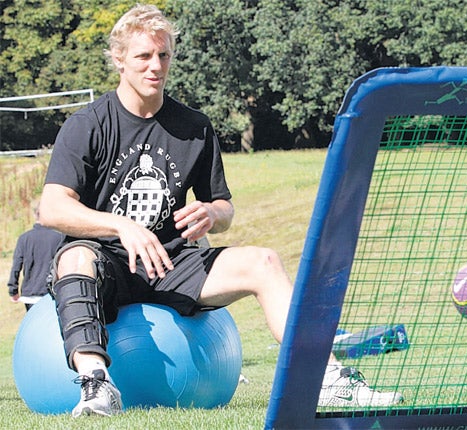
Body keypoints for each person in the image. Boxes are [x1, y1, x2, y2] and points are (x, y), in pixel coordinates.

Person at [39, 4, 402, 418]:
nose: (155, 66)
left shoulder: (194, 126)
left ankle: (327, 381)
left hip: (172, 262)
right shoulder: (88, 124)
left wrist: (212, 213)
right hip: (107, 266)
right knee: (74, 255)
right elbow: (52, 208)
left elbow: (225, 207)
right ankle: (97, 386)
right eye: (143, 56)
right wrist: (121, 226)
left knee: (264, 260)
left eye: (163, 55)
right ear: (119, 59)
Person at [8, 202, 62, 311]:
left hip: (30, 293)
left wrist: (13, 290)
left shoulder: (24, 238)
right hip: (52, 293)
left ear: (35, 215)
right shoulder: (59, 237)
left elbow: (16, 265)